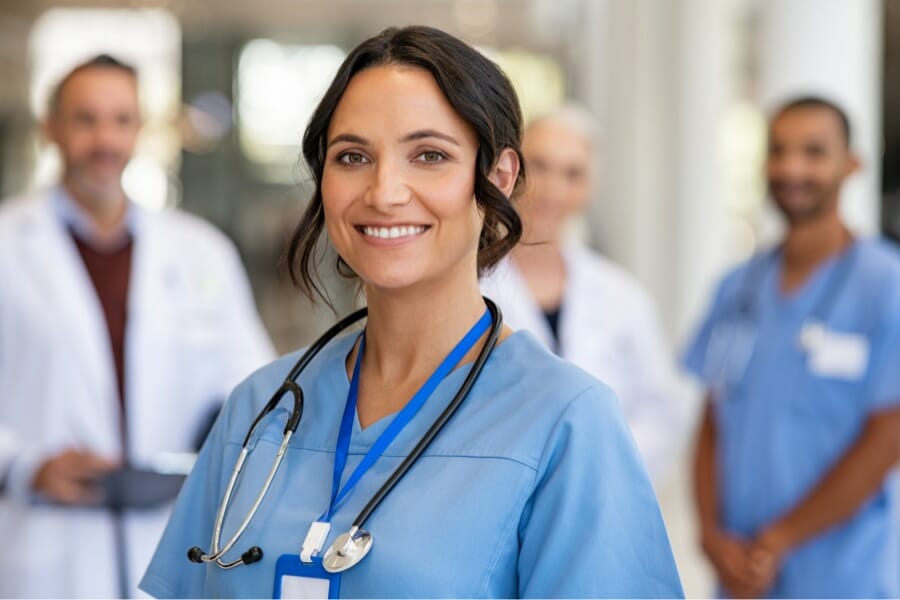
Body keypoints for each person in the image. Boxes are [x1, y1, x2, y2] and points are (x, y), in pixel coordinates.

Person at [139, 26, 683, 598]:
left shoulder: (566, 423)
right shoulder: (261, 409)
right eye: (352, 156)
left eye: (429, 156)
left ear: (498, 177)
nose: (384, 191)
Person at [0, 55, 274, 598]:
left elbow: (255, 386)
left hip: (171, 534)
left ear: (140, 130)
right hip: (45, 546)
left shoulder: (201, 252)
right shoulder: (7, 245)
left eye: (121, 120)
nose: (105, 139)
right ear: (50, 128)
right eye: (85, 119)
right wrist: (20, 466)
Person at [684, 97, 900, 598]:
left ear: (853, 164)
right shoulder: (737, 287)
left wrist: (776, 541)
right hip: (741, 576)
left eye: (814, 152)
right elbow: (713, 420)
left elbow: (887, 439)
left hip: (840, 576)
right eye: (779, 150)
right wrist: (711, 536)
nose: (791, 168)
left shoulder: (885, 285)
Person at [480, 104, 687, 482]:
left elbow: (662, 412)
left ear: (588, 187)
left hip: (604, 490)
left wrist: (600, 465)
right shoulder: (470, 287)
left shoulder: (622, 296)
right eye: (540, 165)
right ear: (507, 171)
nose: (554, 188)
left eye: (573, 174)